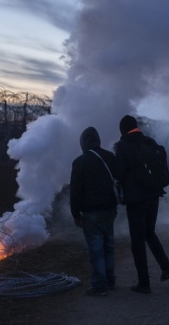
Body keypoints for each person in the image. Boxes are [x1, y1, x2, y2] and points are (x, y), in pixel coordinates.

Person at [115, 115, 169, 294]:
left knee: (137, 241)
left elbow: (120, 173)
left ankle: (144, 282)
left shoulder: (123, 145)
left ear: (123, 129)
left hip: (136, 198)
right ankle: (166, 267)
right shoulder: (150, 142)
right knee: (149, 232)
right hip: (153, 195)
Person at [70, 126, 118, 296]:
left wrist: (75, 213)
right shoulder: (110, 157)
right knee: (109, 247)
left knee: (96, 249)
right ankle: (110, 281)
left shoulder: (80, 162)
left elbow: (75, 190)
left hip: (90, 213)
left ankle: (99, 286)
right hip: (110, 209)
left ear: (83, 143)